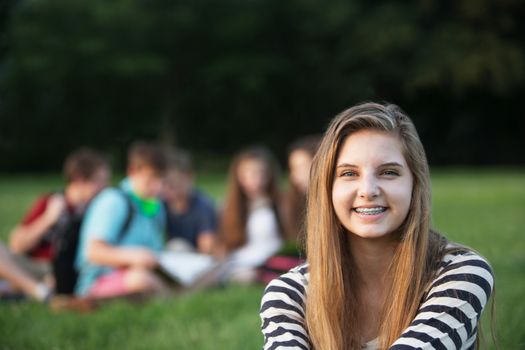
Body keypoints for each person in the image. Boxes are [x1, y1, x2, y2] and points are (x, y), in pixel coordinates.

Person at [260, 102, 494, 349]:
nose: (368, 190)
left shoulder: (461, 274)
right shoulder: (288, 294)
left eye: (389, 172)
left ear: (415, 185)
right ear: (327, 188)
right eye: (349, 173)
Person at [5, 148, 110, 298]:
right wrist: (49, 218)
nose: (105, 187)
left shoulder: (97, 210)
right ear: (79, 179)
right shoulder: (50, 202)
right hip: (33, 265)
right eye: (99, 181)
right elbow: (17, 245)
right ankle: (35, 289)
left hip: (61, 273)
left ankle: (27, 288)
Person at [75, 142, 169, 298]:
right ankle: (177, 294)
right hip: (100, 281)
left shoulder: (156, 206)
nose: (158, 187)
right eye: (151, 179)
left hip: (145, 273)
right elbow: (93, 252)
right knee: (141, 279)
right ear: (132, 172)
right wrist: (134, 256)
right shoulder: (113, 201)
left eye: (161, 179)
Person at [219, 146, 283, 283]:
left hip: (274, 259)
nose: (257, 179)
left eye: (261, 173)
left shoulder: (280, 204)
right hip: (242, 262)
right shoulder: (229, 207)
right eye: (250, 173)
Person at [163, 149, 218, 254]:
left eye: (174, 183)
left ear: (190, 177)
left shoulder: (203, 206)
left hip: (193, 259)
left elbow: (207, 248)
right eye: (165, 183)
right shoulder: (158, 204)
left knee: (177, 247)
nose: (168, 188)